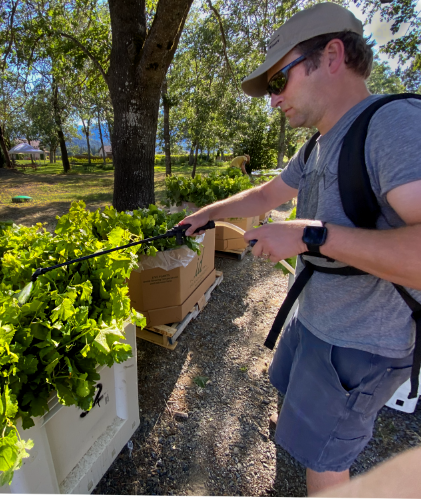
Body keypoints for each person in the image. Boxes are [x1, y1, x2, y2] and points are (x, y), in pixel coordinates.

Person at [179, 2, 421, 496]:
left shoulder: (394, 126)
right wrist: (208, 213)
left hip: (359, 346)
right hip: (312, 319)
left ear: (331, 55)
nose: (272, 100)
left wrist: (309, 234)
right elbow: (268, 194)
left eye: (277, 81)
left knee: (326, 466)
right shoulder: (316, 144)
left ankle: (314, 456)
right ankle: (299, 433)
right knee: (289, 391)